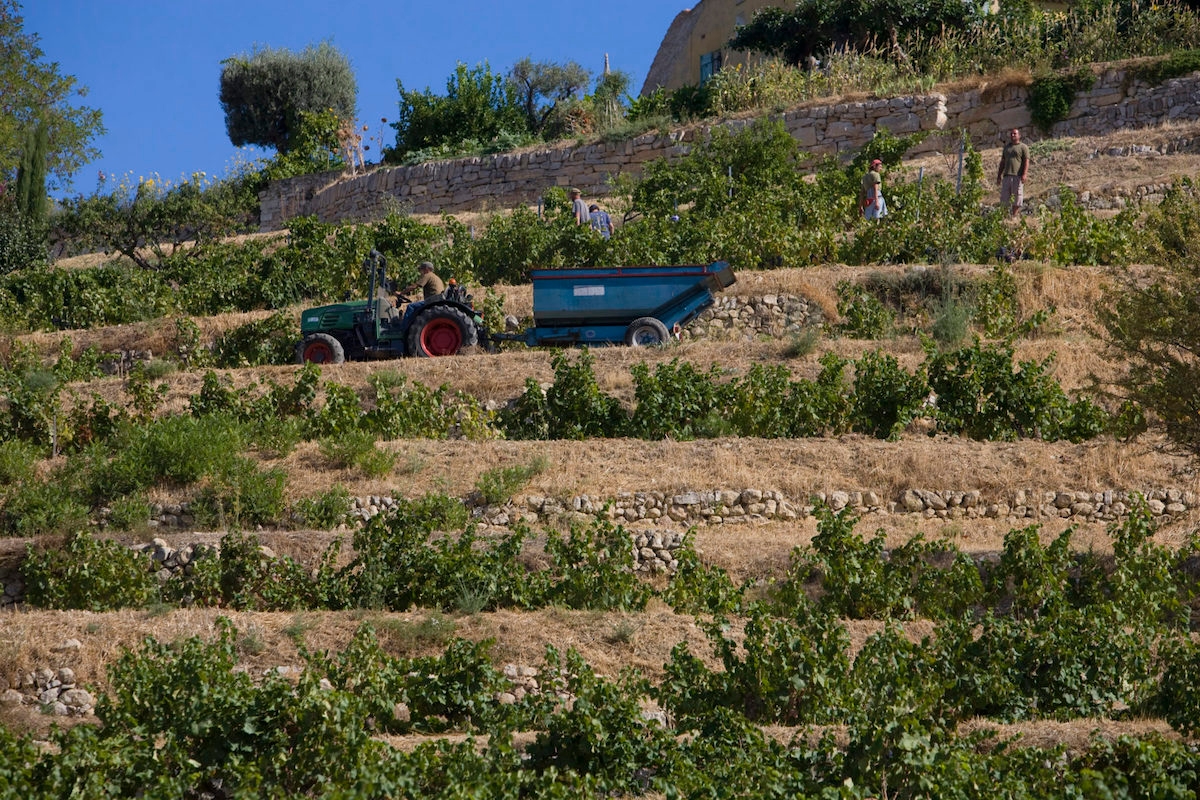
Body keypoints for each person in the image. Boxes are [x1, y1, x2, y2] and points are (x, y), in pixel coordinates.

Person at [397, 260, 446, 326]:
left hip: (432, 301)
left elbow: (414, 286)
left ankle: (403, 328)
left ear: (426, 269)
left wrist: (401, 293)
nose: (420, 272)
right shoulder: (436, 277)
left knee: (411, 307)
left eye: (421, 269)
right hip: (436, 300)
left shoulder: (428, 275)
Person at [996, 127, 1030, 217]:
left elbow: (1026, 161)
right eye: (1011, 134)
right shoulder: (1007, 148)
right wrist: (999, 175)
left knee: (1017, 196)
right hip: (1007, 175)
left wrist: (1024, 174)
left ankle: (1014, 216)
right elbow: (1002, 162)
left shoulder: (1023, 147)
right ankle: (1004, 216)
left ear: (1019, 135)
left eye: (1015, 134)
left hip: (1017, 175)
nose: (1013, 135)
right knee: (1004, 197)